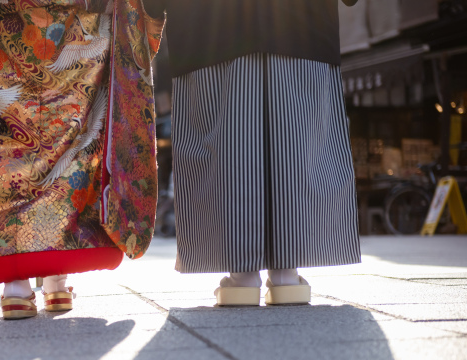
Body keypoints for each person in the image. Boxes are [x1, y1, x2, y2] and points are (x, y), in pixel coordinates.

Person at [0, 0, 164, 319]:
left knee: (2, 135)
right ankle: (57, 280)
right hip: (76, 19)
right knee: (75, 136)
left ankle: (16, 286)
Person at [143, 0, 361, 306]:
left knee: (227, 150)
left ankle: (241, 276)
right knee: (298, 145)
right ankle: (287, 275)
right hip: (302, 27)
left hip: (210, 29)